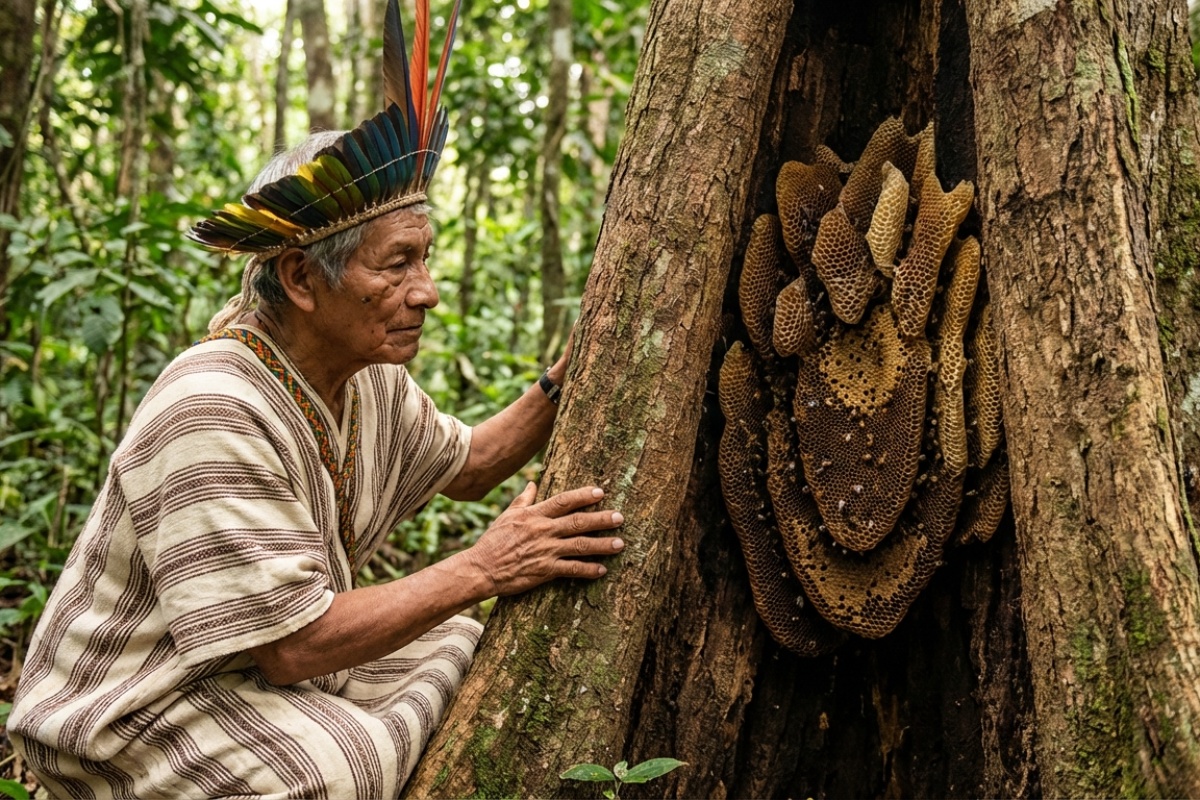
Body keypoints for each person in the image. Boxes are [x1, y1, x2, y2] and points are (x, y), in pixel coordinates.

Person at [7, 1, 623, 796]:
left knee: (458, 647)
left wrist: (562, 381)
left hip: (252, 672)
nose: (426, 292)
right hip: (138, 709)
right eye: (396, 264)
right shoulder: (213, 406)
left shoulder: (365, 378)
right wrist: (485, 564)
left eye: (423, 259)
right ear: (302, 279)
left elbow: (471, 466)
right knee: (337, 772)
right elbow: (293, 649)